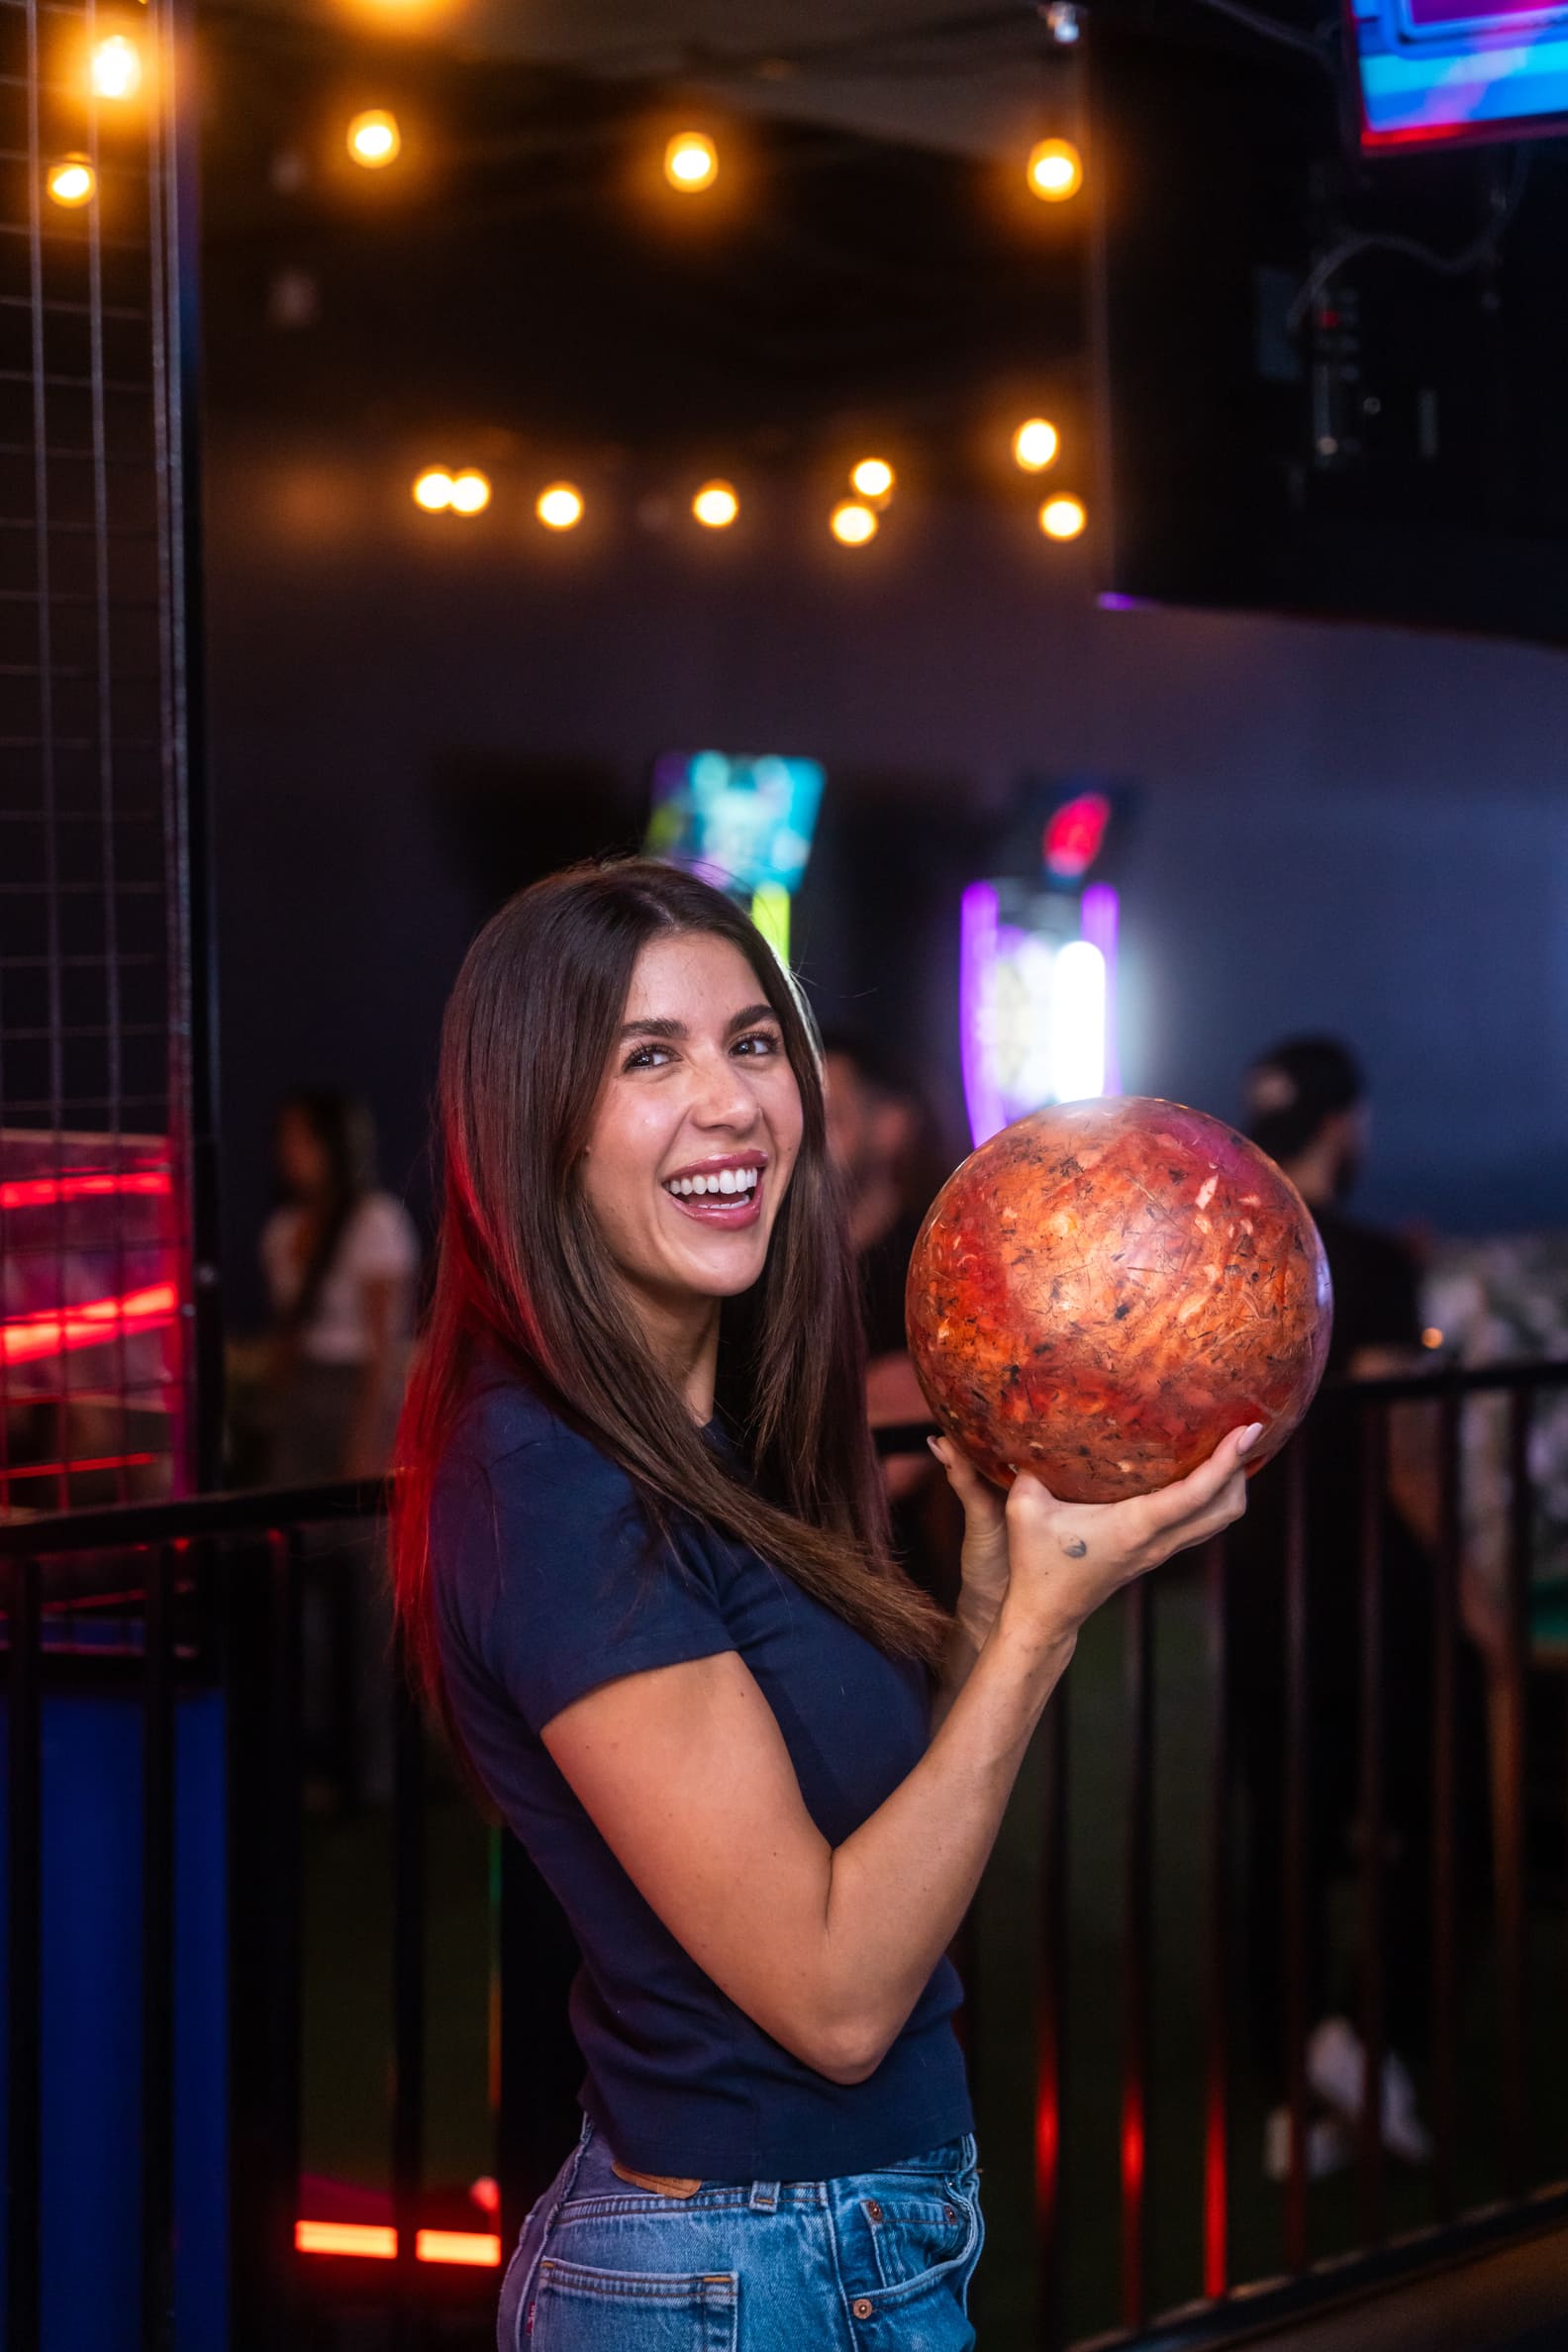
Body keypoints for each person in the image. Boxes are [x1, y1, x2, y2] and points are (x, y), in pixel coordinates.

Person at [391, 858, 1255, 2350]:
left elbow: (889, 1868)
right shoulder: (550, 1486)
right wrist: (1042, 1638)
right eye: (647, 1056)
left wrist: (992, 1605)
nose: (732, 1102)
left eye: (751, 1040)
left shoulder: (712, 1441)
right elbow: (838, 1998)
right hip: (739, 2277)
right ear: (529, 1127)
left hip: (825, 2249)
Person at [1227, 1036, 1486, 2182]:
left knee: (1283, 1836)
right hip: (1379, 1600)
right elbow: (1407, 1461)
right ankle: (1374, 2046)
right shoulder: (1372, 1260)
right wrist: (1477, 1599)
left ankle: (1303, 2084)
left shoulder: (1229, 1255)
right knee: (1444, 1822)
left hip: (1256, 1586)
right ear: (1345, 1126)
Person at [822, 1029, 957, 1608]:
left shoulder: (945, 1279)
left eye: (824, 1116)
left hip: (909, 1613)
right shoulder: (758, 1277)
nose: (792, 1138)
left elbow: (861, 1487)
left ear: (892, 1126)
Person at [258, 1089, 421, 1485]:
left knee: (362, 1527)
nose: (288, 1151)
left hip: (357, 1386)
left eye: (302, 1139)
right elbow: (287, 1332)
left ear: (333, 1145)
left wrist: (368, 1437)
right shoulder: (282, 1231)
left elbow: (385, 1343)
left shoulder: (375, 1222)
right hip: (305, 1390)